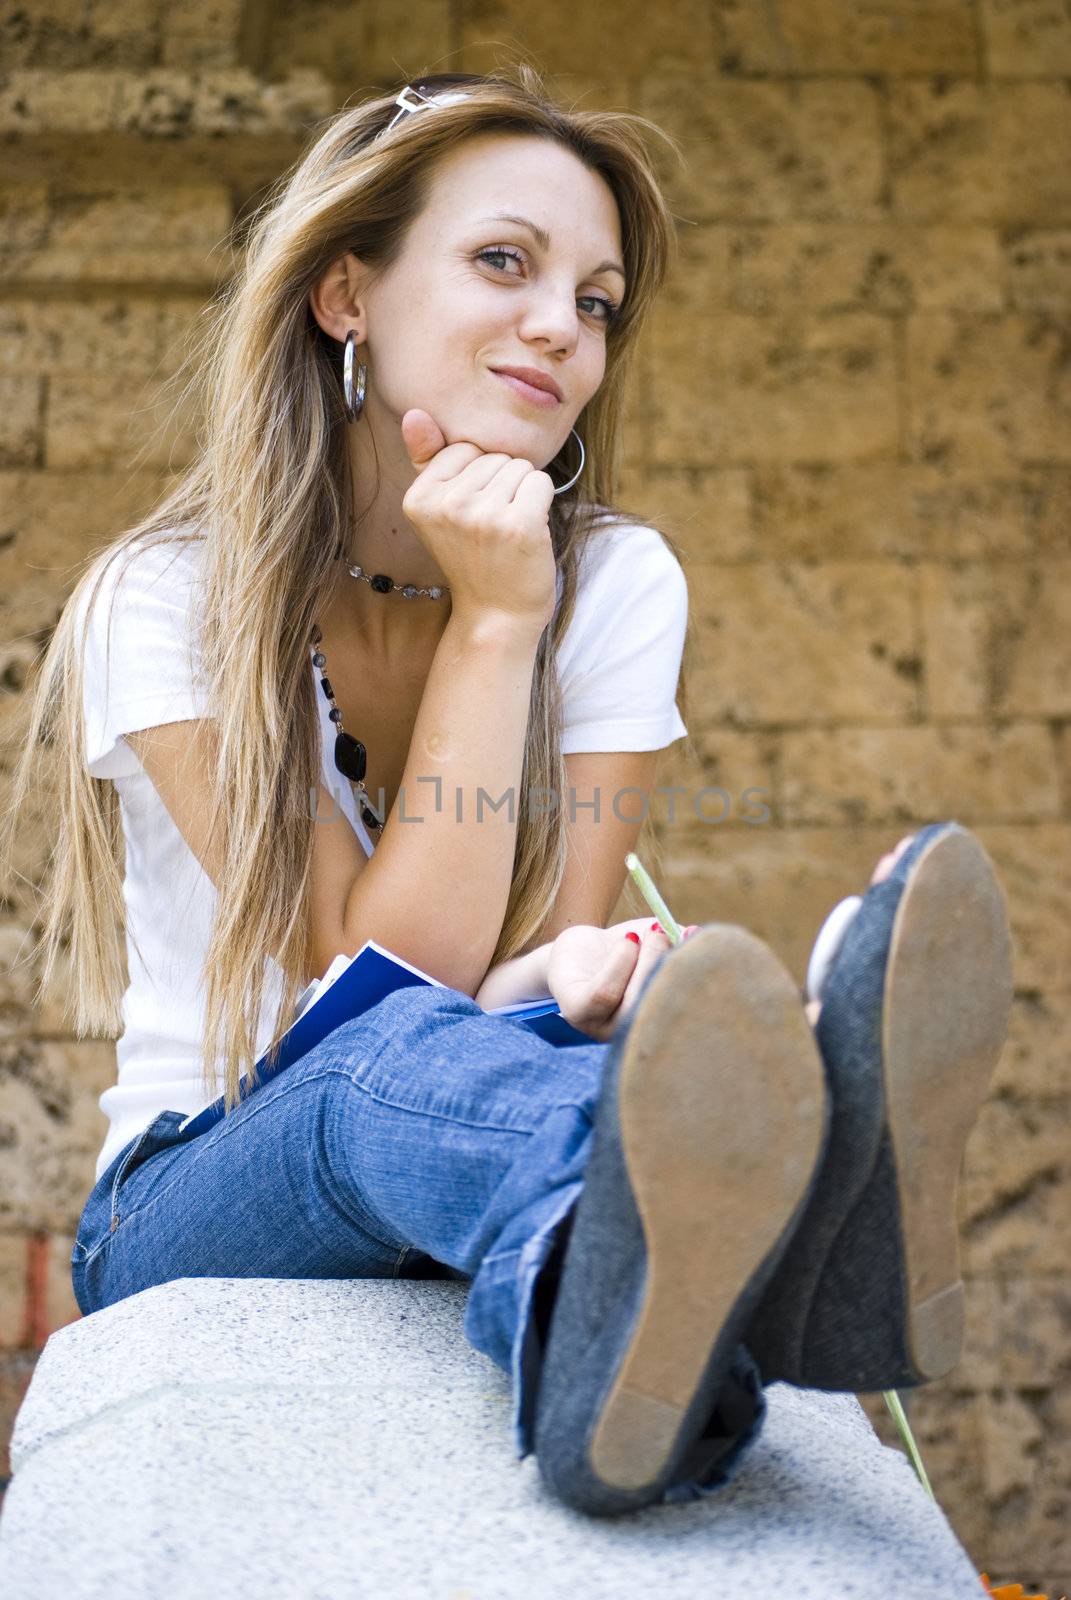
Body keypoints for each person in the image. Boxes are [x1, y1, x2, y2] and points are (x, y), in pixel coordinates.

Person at [0, 67, 1013, 1517]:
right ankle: (712, 1253)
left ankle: (800, 1225)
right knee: (362, 1071)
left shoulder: (620, 583)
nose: (563, 326)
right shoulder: (165, 604)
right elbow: (387, 979)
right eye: (503, 263)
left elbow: (511, 988)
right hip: (202, 1179)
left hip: (468, 1114)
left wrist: (598, 982)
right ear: (347, 295)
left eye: (597, 301)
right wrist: (491, 624)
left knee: (624, 1049)